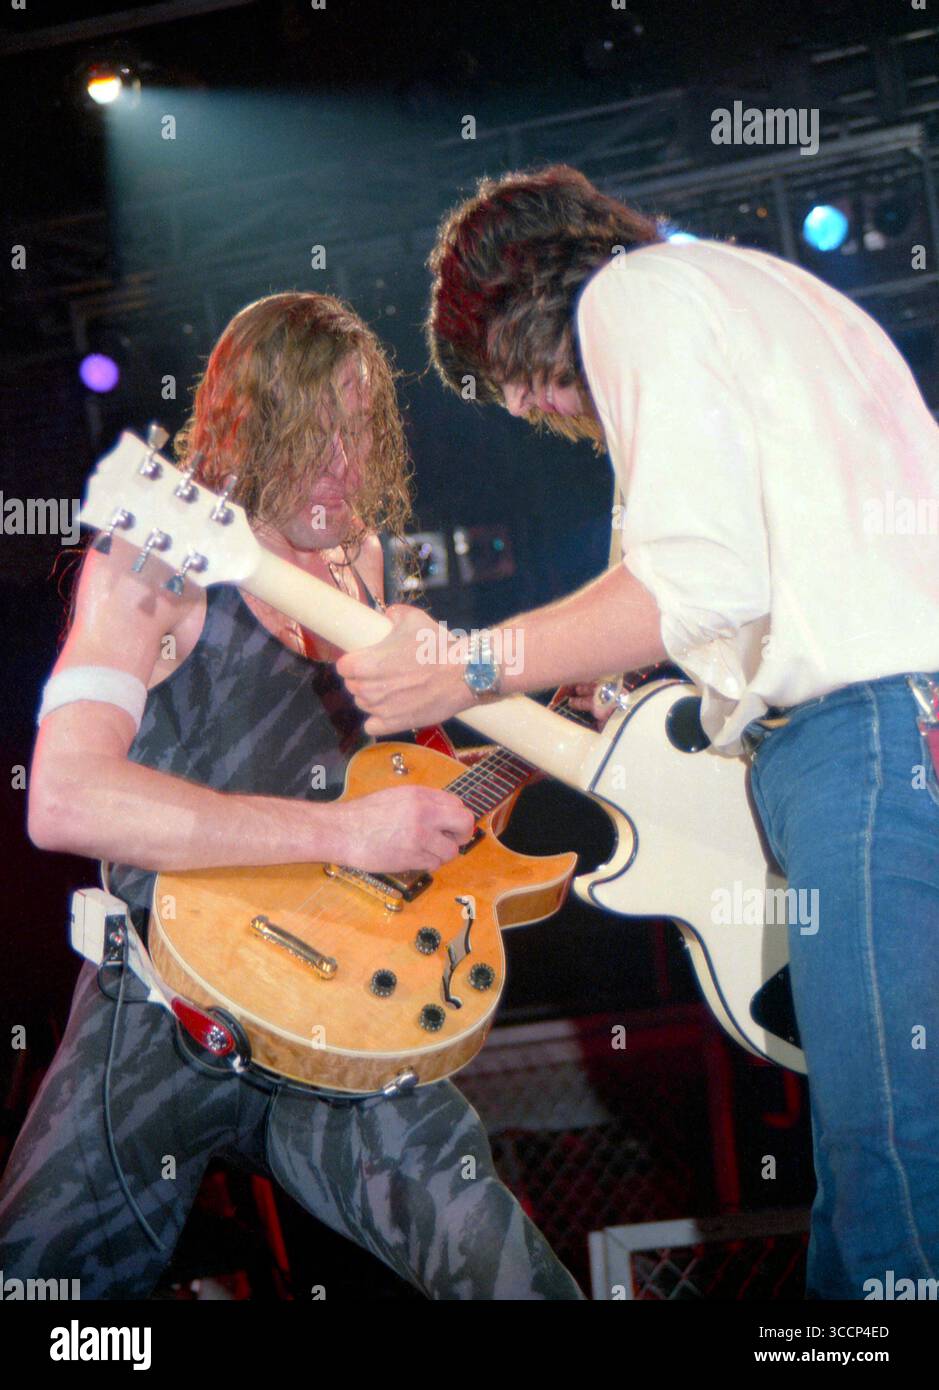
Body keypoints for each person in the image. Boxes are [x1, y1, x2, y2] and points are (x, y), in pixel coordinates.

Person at [335, 165, 939, 1300]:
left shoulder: (632, 294)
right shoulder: (768, 290)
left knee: (896, 1197)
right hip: (906, 732)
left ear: (518, 296)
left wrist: (459, 664)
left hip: (863, 749)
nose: (520, 408)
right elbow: (659, 608)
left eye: (498, 376)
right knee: (888, 1192)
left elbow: (691, 586)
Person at [0, 291, 584, 1301]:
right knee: (42, 1299)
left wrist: (531, 730)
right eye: (315, 434)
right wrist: (349, 831)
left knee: (512, 1279)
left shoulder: (361, 566)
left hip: (347, 1013)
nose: (345, 466)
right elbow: (62, 797)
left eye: (361, 432)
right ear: (242, 428)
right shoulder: (151, 561)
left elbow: (403, 794)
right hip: (164, 1004)